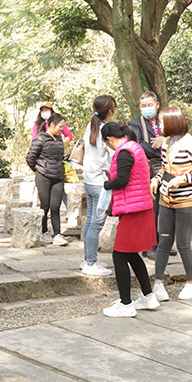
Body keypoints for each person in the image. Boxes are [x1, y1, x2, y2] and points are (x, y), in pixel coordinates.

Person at [150, 107, 192, 301]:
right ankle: (158, 284)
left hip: (187, 201)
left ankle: (191, 283)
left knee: (183, 243)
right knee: (164, 241)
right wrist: (157, 179)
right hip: (166, 199)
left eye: (161, 122)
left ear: (172, 122)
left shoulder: (190, 143)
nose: (159, 125)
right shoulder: (167, 142)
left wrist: (181, 179)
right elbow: (164, 168)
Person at [100, 122, 159, 318]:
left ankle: (125, 304)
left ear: (109, 139)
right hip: (140, 208)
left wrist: (106, 183)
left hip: (134, 210)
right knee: (132, 254)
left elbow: (122, 180)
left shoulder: (124, 152)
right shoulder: (135, 147)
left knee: (119, 256)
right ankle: (148, 296)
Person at [128, 91, 176, 259]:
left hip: (168, 168)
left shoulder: (166, 121)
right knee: (152, 209)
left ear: (157, 105)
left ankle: (164, 243)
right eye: (143, 105)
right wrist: (162, 148)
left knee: (167, 207)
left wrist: (165, 140)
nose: (146, 108)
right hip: (148, 170)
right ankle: (149, 245)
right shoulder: (134, 124)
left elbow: (176, 139)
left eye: (150, 104)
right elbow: (139, 145)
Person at [80, 95, 116, 276]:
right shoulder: (105, 130)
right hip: (100, 184)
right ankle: (91, 263)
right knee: (96, 224)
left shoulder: (91, 126)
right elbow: (114, 150)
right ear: (110, 111)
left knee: (90, 222)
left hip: (89, 181)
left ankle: (88, 259)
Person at [26, 112, 69, 246]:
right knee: (44, 206)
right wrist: (39, 170)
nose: (62, 129)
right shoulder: (40, 139)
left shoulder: (59, 139)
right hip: (43, 176)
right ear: (52, 125)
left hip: (58, 176)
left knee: (55, 207)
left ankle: (57, 234)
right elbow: (30, 158)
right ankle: (44, 232)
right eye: (60, 126)